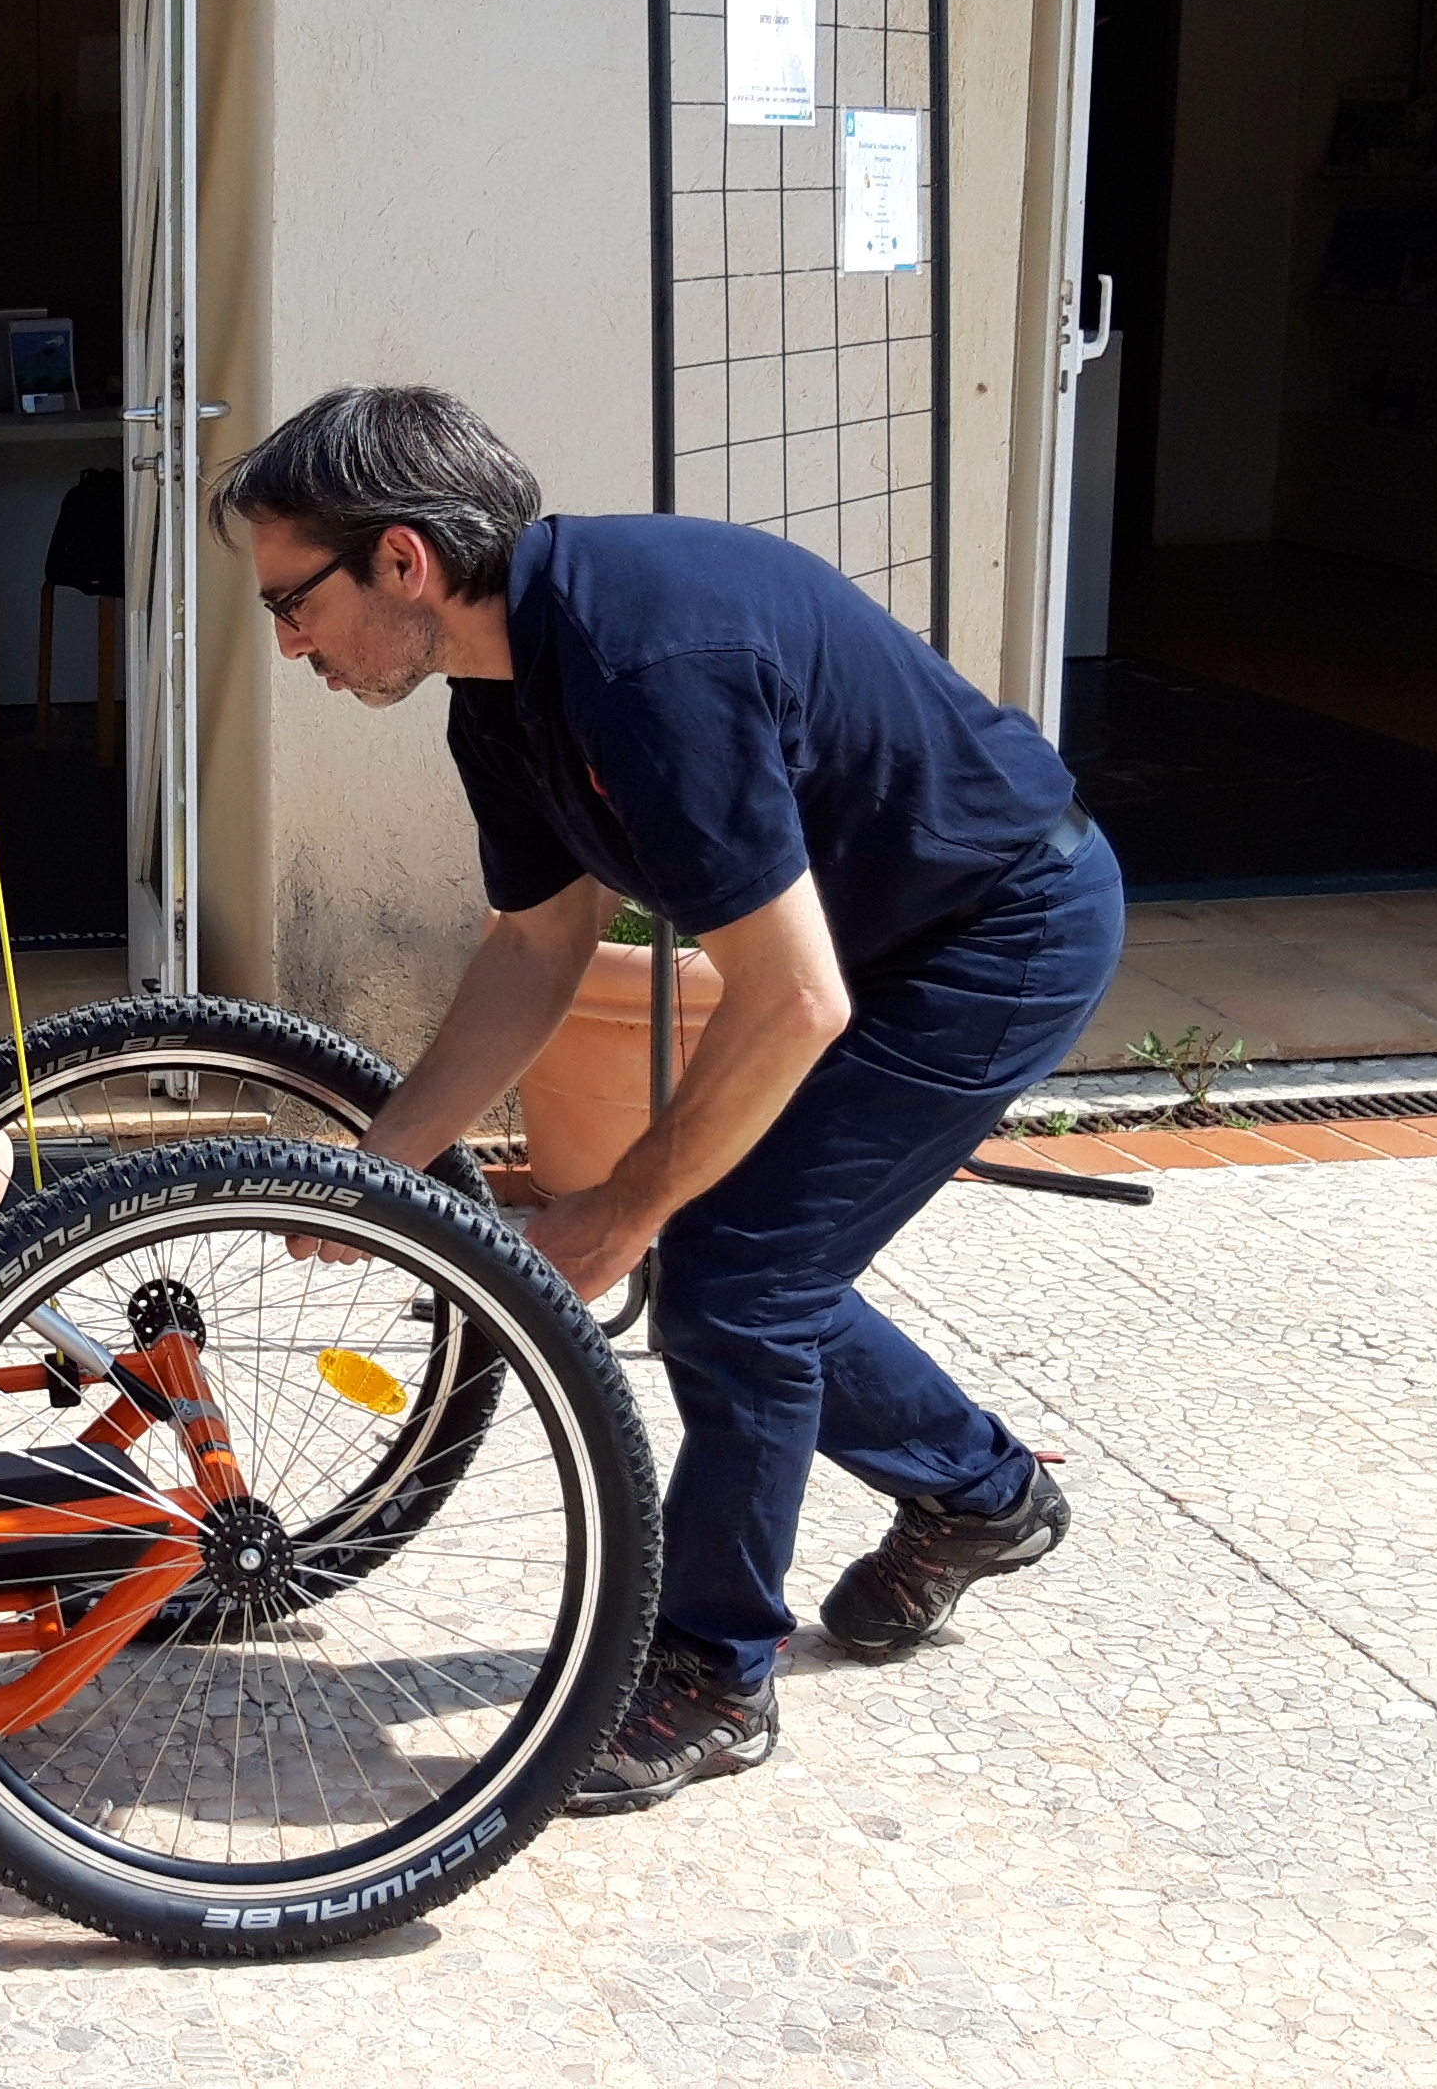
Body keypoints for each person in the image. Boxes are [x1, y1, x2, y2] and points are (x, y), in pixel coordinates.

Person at [210, 385, 1120, 1810]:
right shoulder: (499, 702)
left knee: (732, 1272)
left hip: (999, 929)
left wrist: (628, 1207)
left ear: (401, 561)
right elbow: (536, 950)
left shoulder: (647, 660)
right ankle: (981, 1495)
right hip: (864, 935)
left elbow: (795, 1000)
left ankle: (709, 1676)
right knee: (766, 1263)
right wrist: (382, 1166)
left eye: (293, 601)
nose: (287, 643)